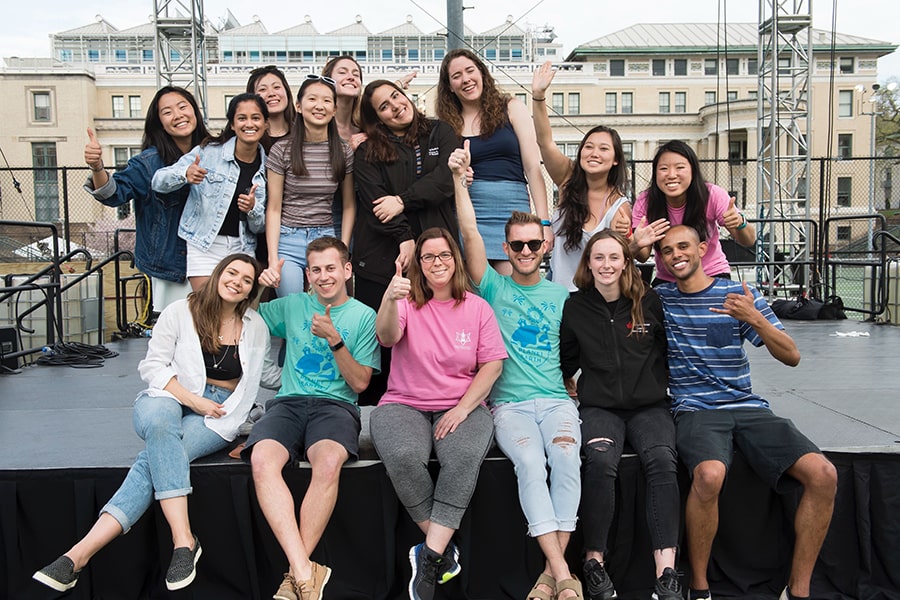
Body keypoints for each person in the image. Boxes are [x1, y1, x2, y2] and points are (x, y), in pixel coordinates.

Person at [33, 254, 279, 593]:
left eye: (246, 279)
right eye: (232, 272)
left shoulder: (255, 326)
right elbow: (153, 367)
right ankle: (183, 540)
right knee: (162, 427)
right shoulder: (181, 311)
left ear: (251, 290)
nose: (237, 281)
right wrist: (192, 400)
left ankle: (77, 556)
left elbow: (265, 373)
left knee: (152, 461)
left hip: (221, 411)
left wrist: (313, 372)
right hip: (169, 395)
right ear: (219, 274)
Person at [656, 225, 837, 600]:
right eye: (667, 250)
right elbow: (607, 276)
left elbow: (792, 356)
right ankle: (700, 588)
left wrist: (754, 318)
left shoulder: (737, 294)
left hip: (747, 406)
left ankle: (798, 591)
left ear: (703, 248)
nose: (676, 255)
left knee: (823, 475)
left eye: (684, 246)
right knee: (709, 475)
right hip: (695, 409)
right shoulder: (660, 298)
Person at [450, 142, 583, 600]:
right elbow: (469, 233)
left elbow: (578, 351)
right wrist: (457, 184)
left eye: (533, 243)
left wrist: (574, 385)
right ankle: (564, 573)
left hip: (557, 402)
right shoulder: (491, 285)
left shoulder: (563, 297)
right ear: (506, 247)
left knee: (566, 459)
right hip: (508, 406)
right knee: (530, 462)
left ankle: (552, 575)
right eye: (517, 245)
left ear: (544, 246)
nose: (525, 251)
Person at [369, 227, 506, 600]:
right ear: (418, 264)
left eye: (444, 255)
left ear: (456, 259)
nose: (437, 263)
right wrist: (387, 298)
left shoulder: (477, 307)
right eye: (428, 257)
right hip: (403, 402)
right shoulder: (407, 300)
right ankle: (443, 550)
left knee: (461, 457)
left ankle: (427, 558)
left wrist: (462, 409)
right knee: (402, 456)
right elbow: (387, 337)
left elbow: (492, 365)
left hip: (462, 403)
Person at [248, 237, 380, 600]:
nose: (324, 277)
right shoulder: (291, 306)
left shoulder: (363, 316)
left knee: (327, 463)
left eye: (331, 268)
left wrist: (336, 340)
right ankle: (305, 571)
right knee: (261, 459)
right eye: (316, 270)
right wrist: (259, 288)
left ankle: (295, 575)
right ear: (307, 274)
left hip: (335, 406)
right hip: (288, 402)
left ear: (347, 270)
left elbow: (360, 383)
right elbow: (244, 320)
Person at [559, 230, 681, 600]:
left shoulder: (650, 301)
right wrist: (567, 384)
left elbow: (667, 353)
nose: (606, 265)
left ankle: (667, 572)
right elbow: (567, 359)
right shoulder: (575, 306)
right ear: (589, 264)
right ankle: (594, 562)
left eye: (615, 257)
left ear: (626, 263)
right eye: (599, 258)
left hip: (649, 407)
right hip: (600, 408)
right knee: (599, 462)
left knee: (661, 460)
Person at [352, 79, 460, 405]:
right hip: (384, 256)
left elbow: (445, 180)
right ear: (377, 118)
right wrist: (405, 237)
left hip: (437, 251)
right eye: (384, 106)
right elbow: (376, 202)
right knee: (382, 339)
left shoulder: (440, 132)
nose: (395, 106)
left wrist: (403, 199)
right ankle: (378, 412)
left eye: (396, 97)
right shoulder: (369, 150)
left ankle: (437, 400)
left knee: (434, 332)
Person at [82, 86, 210, 310]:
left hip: (213, 260)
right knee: (175, 332)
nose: (178, 115)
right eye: (167, 112)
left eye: (183, 107)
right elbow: (113, 193)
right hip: (170, 267)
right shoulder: (148, 163)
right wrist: (97, 166)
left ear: (195, 112)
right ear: (159, 122)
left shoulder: (216, 152)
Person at [437, 48, 552, 276]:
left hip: (512, 213)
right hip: (467, 216)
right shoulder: (445, 125)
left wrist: (544, 223)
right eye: (457, 76)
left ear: (482, 73)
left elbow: (532, 168)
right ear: (450, 86)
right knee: (474, 295)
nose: (466, 79)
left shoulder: (512, 108)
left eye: (470, 71)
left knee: (512, 291)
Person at [531, 61, 632, 290]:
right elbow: (544, 141)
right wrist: (538, 96)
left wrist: (626, 236)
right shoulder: (567, 178)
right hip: (558, 293)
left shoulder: (619, 205)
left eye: (604, 149)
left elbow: (623, 256)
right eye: (588, 146)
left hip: (595, 301)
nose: (594, 153)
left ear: (616, 159)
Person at [152, 93, 268, 292]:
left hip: (243, 247)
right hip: (204, 244)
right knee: (206, 309)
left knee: (238, 311)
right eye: (242, 118)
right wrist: (184, 174)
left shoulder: (267, 168)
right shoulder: (209, 152)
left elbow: (259, 228)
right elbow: (158, 181)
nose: (249, 124)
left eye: (255, 118)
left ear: (266, 123)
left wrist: (253, 209)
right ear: (232, 124)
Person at [261, 75, 356, 297]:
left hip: (325, 237)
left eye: (326, 101)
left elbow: (350, 205)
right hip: (288, 237)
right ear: (298, 106)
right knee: (292, 307)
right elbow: (274, 207)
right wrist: (273, 258)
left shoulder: (343, 151)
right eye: (312, 99)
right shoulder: (281, 150)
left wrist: (341, 250)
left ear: (334, 109)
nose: (319, 106)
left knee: (328, 307)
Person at [632, 141, 756, 284]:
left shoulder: (712, 194)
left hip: (711, 275)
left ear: (693, 170)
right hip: (668, 279)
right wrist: (635, 242)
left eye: (680, 167)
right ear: (655, 173)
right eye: (664, 168)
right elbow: (643, 256)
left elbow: (749, 240)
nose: (671, 175)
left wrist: (740, 223)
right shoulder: (645, 201)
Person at [246, 65, 297, 273]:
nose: (271, 94)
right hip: (255, 234)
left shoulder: (305, 131)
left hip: (296, 231)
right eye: (263, 90)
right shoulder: (247, 138)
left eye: (277, 87)